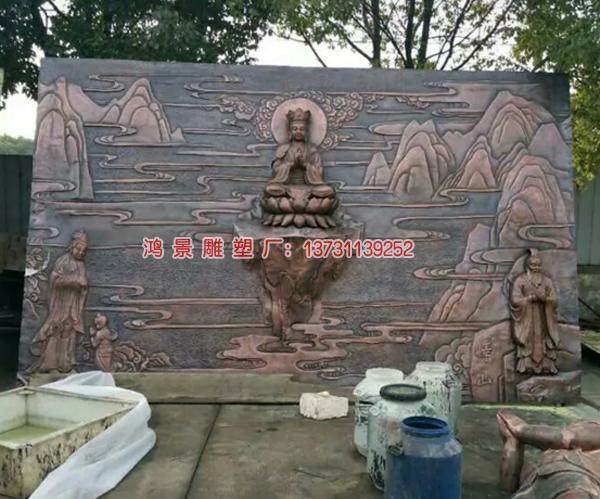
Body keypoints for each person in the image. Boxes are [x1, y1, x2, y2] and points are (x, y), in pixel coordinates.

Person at [497, 411, 600, 498]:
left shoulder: (590, 433)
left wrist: (519, 431)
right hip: (557, 478)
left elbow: (566, 438)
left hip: (570, 478)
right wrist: (512, 442)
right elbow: (508, 489)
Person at [30, 230, 89, 373]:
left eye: (84, 251)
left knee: (70, 331)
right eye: (78, 249)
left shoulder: (80, 265)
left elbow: (83, 284)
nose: (81, 253)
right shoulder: (63, 261)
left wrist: (83, 285)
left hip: (73, 303)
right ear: (72, 246)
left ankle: (66, 365)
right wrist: (74, 281)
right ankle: (50, 365)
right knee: (57, 329)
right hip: (61, 302)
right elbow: (54, 281)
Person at [510, 249, 560, 374]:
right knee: (528, 339)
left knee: (544, 339)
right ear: (528, 266)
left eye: (538, 265)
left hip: (544, 317)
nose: (536, 268)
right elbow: (515, 299)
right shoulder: (520, 280)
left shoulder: (547, 281)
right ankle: (526, 365)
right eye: (533, 265)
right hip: (527, 317)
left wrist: (545, 299)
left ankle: (547, 365)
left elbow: (554, 299)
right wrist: (528, 299)